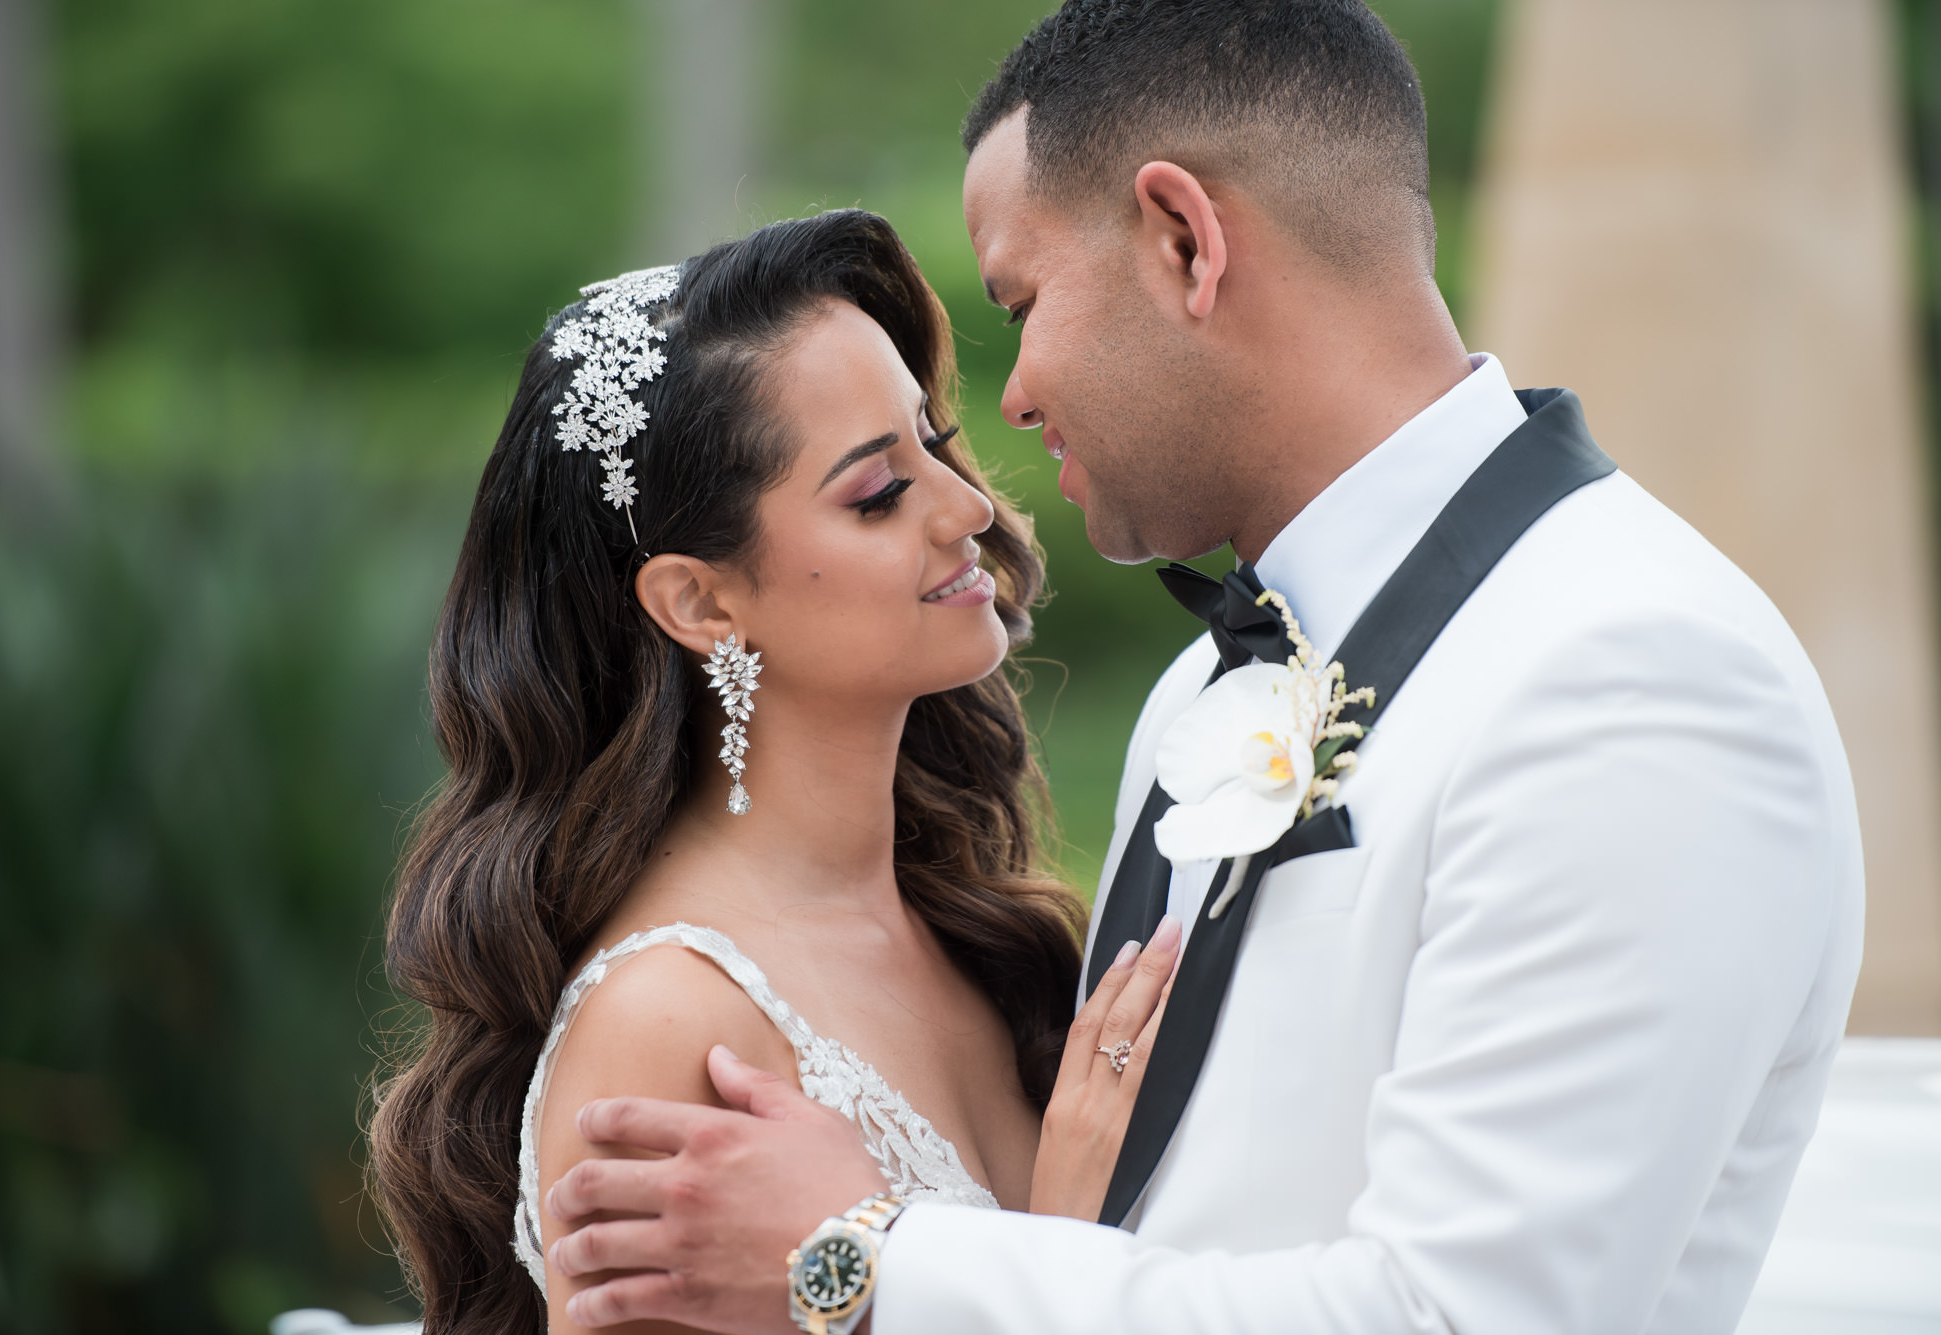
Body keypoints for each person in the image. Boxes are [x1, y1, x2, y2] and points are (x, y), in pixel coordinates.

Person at [538, 2, 1866, 1332]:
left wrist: (876, 1260)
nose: (1009, 404)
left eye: (1024, 300)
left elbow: (1469, 1315)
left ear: (1185, 240)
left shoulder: (1630, 673)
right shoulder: (1207, 691)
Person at [366, 210, 1183, 1335]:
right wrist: (1057, 1240)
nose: (967, 510)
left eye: (933, 444)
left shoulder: (979, 938)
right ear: (700, 602)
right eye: (875, 493)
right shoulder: (667, 1026)